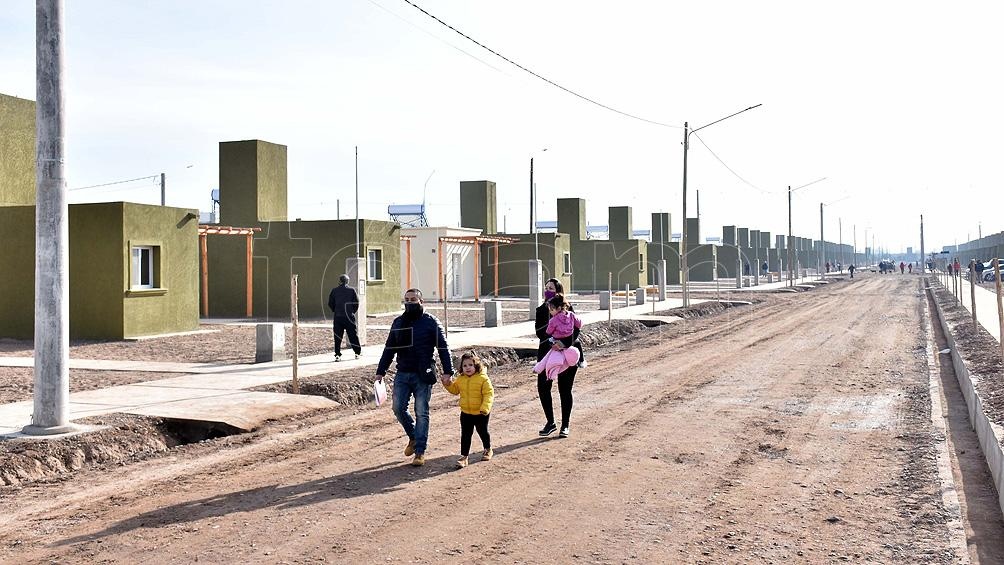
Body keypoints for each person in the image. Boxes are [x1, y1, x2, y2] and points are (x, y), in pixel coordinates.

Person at [376, 288, 453, 467]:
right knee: (398, 408)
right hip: (402, 373)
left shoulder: (431, 322)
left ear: (421, 301)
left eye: (413, 299)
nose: (410, 302)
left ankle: (420, 451)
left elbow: (443, 347)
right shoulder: (398, 322)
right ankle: (413, 436)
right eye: (407, 299)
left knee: (421, 412)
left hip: (423, 374)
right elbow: (389, 349)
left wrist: (448, 371)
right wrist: (381, 371)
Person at [535, 278, 582, 439]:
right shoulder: (541, 310)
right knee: (543, 387)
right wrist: (553, 341)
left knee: (565, 389)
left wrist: (563, 343)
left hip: (567, 353)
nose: (547, 290)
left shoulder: (569, 310)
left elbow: (576, 330)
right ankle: (550, 423)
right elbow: (540, 333)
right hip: (547, 354)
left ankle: (565, 425)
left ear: (558, 292)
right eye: (546, 288)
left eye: (551, 288)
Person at [443, 352, 494, 469]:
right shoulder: (461, 379)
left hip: (481, 412)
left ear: (476, 365)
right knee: (465, 435)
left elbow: (489, 394)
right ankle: (464, 457)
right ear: (461, 367)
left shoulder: (483, 378)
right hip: (466, 412)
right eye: (465, 366)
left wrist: (485, 408)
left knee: (482, 431)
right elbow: (455, 390)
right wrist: (448, 384)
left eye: (470, 365)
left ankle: (488, 449)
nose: (468, 368)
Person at [533, 294, 582, 381]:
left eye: (551, 310)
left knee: (549, 357)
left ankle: (543, 370)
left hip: (556, 340)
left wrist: (550, 338)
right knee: (565, 360)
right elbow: (579, 324)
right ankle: (581, 360)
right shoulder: (571, 315)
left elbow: (548, 331)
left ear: (558, 308)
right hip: (568, 340)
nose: (550, 312)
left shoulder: (553, 320)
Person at [328, 274, 361, 361]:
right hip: (349, 317)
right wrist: (352, 312)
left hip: (338, 317)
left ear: (340, 281)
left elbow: (330, 303)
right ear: (347, 281)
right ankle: (357, 353)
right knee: (353, 335)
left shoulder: (334, 291)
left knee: (338, 336)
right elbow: (356, 303)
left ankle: (337, 354)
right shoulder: (352, 290)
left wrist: (335, 310)